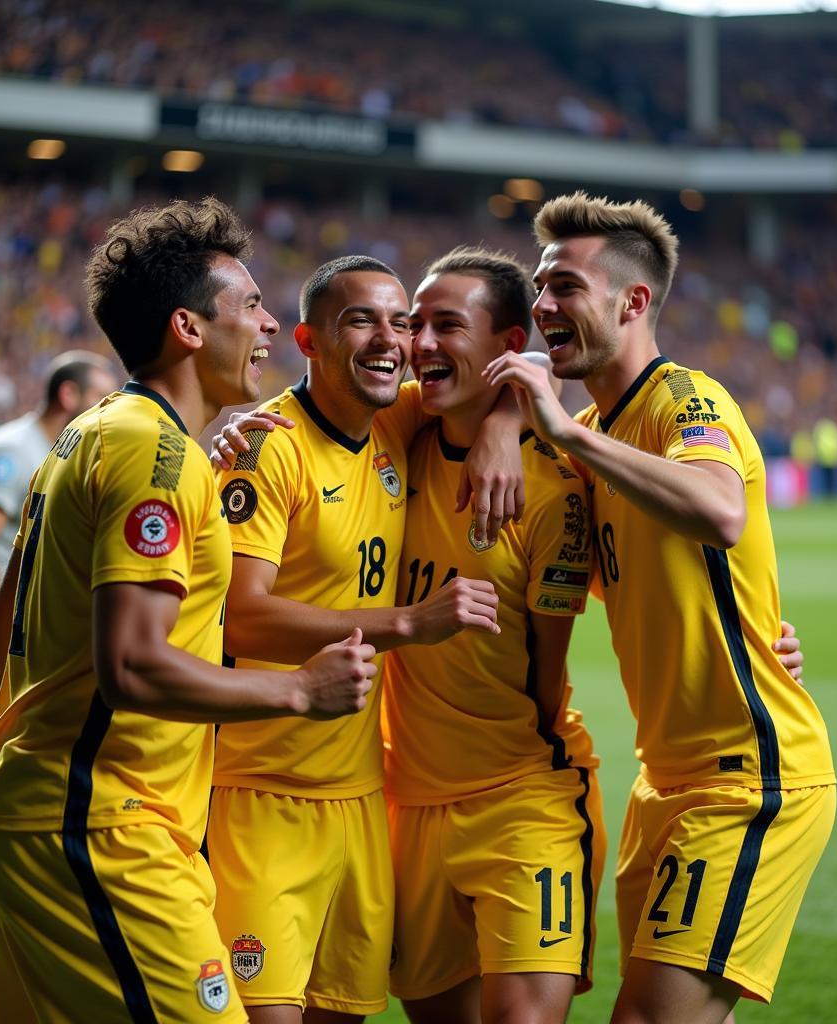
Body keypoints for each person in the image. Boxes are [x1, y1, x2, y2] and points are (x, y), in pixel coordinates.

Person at [0, 198, 378, 1024]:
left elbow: (11, 620)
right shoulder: (156, 452)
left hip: (35, 813)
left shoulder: (91, 432)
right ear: (189, 327)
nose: (267, 327)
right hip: (102, 828)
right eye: (250, 306)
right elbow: (134, 664)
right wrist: (300, 690)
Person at [484, 193, 836, 1024]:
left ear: (631, 302)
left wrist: (567, 436)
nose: (542, 306)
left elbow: (720, 510)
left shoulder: (687, 400)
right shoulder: (601, 434)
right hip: (664, 782)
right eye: (540, 285)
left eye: (564, 285)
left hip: (744, 781)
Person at [209, 254, 525, 1023]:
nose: (396, 340)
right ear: (311, 341)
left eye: (404, 322)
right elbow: (242, 614)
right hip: (260, 796)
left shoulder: (396, 418)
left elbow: (513, 366)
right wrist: (406, 625)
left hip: (360, 803)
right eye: (364, 320)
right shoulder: (268, 447)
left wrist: (506, 427)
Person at [383, 248, 604, 1024]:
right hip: (406, 802)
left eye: (448, 324)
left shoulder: (552, 491)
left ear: (505, 345)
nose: (421, 343)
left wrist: (509, 419)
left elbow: (549, 666)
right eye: (417, 326)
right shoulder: (396, 431)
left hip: (521, 795)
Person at [0, 350, 119, 715]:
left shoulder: (50, 451)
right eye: (100, 399)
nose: (107, 414)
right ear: (68, 395)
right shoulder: (14, 451)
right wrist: (4, 631)